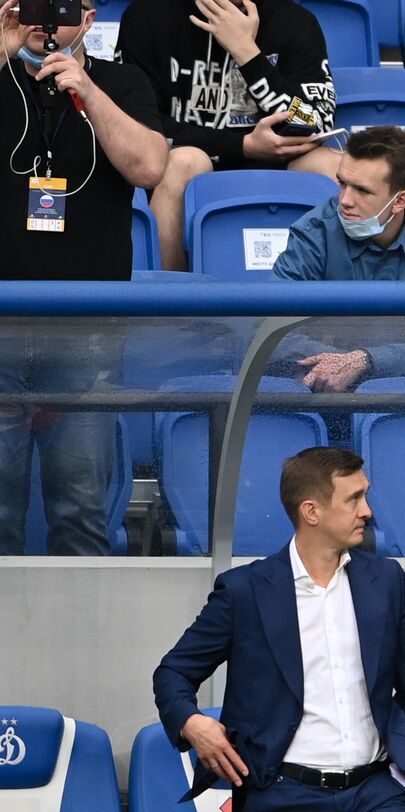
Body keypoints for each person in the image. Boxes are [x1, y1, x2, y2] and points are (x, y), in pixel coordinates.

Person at [153, 447, 405, 812]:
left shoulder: (386, 581)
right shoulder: (246, 590)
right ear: (312, 511)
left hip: (376, 795)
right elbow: (174, 672)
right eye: (354, 499)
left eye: (365, 496)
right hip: (282, 798)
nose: (367, 511)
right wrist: (193, 723)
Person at [0, 0, 166, 555]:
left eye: (60, 9)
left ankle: (82, 635)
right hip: (0, 324)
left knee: (80, 510)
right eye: (29, 6)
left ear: (90, 18)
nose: (44, 22)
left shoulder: (121, 81)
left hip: (86, 331)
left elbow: (149, 168)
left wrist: (88, 92)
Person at [116, 0, 340, 271]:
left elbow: (318, 121)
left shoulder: (295, 21)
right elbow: (142, 126)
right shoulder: (147, 15)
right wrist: (242, 146)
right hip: (191, 156)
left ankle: (341, 301)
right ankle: (167, 298)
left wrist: (247, 54)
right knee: (182, 162)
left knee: (333, 165)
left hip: (277, 158)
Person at [273, 125, 405, 392]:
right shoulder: (314, 230)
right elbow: (268, 328)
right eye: (342, 183)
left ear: (401, 200)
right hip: (322, 388)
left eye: (362, 191)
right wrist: (337, 362)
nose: (344, 200)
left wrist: (367, 360)